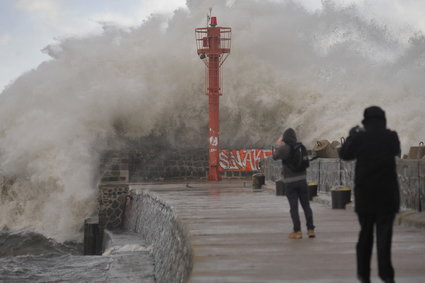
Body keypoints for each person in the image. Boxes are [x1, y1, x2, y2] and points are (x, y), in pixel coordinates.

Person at [339, 106, 400, 283]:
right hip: (387, 197)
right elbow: (397, 150)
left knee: (365, 236)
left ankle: (363, 274)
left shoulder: (360, 137)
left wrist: (352, 135)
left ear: (366, 120)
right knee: (384, 238)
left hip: (365, 196)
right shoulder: (391, 136)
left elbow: (345, 155)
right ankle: (386, 275)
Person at [272, 128, 315, 239]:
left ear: (285, 138)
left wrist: (278, 145)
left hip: (290, 183)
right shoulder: (301, 147)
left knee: (294, 207)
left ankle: (297, 231)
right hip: (302, 181)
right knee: (306, 206)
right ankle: (311, 230)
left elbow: (274, 156)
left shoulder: (283, 149)